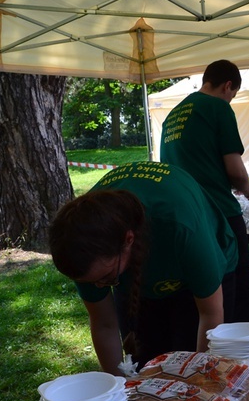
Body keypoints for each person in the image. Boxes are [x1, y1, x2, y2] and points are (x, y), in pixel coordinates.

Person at [49, 161, 238, 375]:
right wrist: (119, 389)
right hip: (137, 265)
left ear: (128, 240)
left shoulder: (180, 226)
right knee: (147, 365)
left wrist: (197, 383)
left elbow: (210, 315)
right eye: (93, 282)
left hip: (200, 251)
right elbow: (104, 324)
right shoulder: (84, 250)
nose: (99, 286)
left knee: (189, 359)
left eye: (106, 277)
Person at [160, 59, 249, 325]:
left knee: (203, 290)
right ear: (228, 86)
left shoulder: (174, 115)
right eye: (233, 95)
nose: (231, 100)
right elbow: (235, 171)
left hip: (185, 217)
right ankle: (244, 352)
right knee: (239, 290)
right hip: (220, 214)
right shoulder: (218, 107)